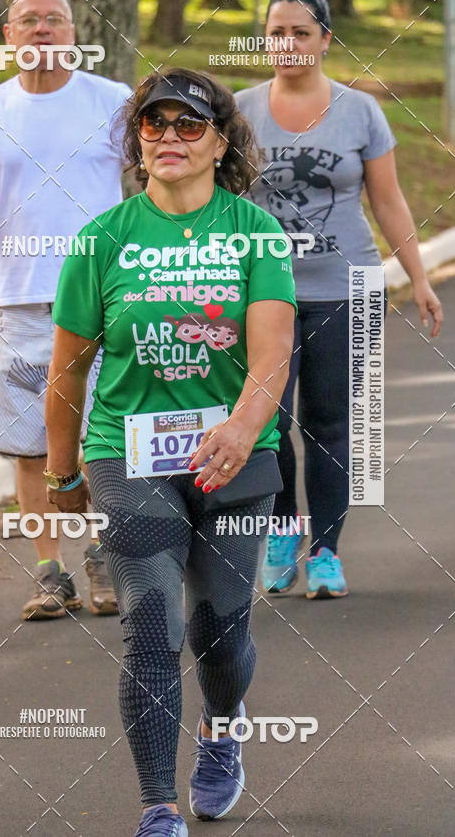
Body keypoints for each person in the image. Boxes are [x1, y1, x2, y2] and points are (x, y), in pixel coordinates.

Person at [45, 69, 296, 835]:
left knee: (219, 634)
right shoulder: (104, 239)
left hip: (239, 457)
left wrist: (243, 426)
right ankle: (157, 805)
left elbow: (273, 355)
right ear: (136, 141)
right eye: (154, 125)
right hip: (130, 454)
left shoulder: (255, 233)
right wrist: (63, 473)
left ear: (222, 142)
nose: (169, 139)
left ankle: (222, 733)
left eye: (189, 126)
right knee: (150, 626)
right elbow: (67, 370)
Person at [236, 0, 443, 599]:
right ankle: (280, 532)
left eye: (302, 32)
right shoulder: (239, 111)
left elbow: (388, 200)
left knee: (330, 421)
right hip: (262, 293)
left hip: (345, 286)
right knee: (267, 420)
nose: (289, 43)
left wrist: (421, 279)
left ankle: (325, 550)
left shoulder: (360, 111)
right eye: (277, 33)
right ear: (265, 41)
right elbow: (216, 202)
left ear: (325, 39)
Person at [0, 0, 131, 620]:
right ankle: (51, 572)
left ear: (75, 35)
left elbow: (157, 181)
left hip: (106, 297)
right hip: (18, 303)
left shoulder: (117, 104)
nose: (43, 30)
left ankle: (102, 557)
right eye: (30, 21)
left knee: (103, 437)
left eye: (56, 20)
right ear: (9, 36)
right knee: (30, 445)